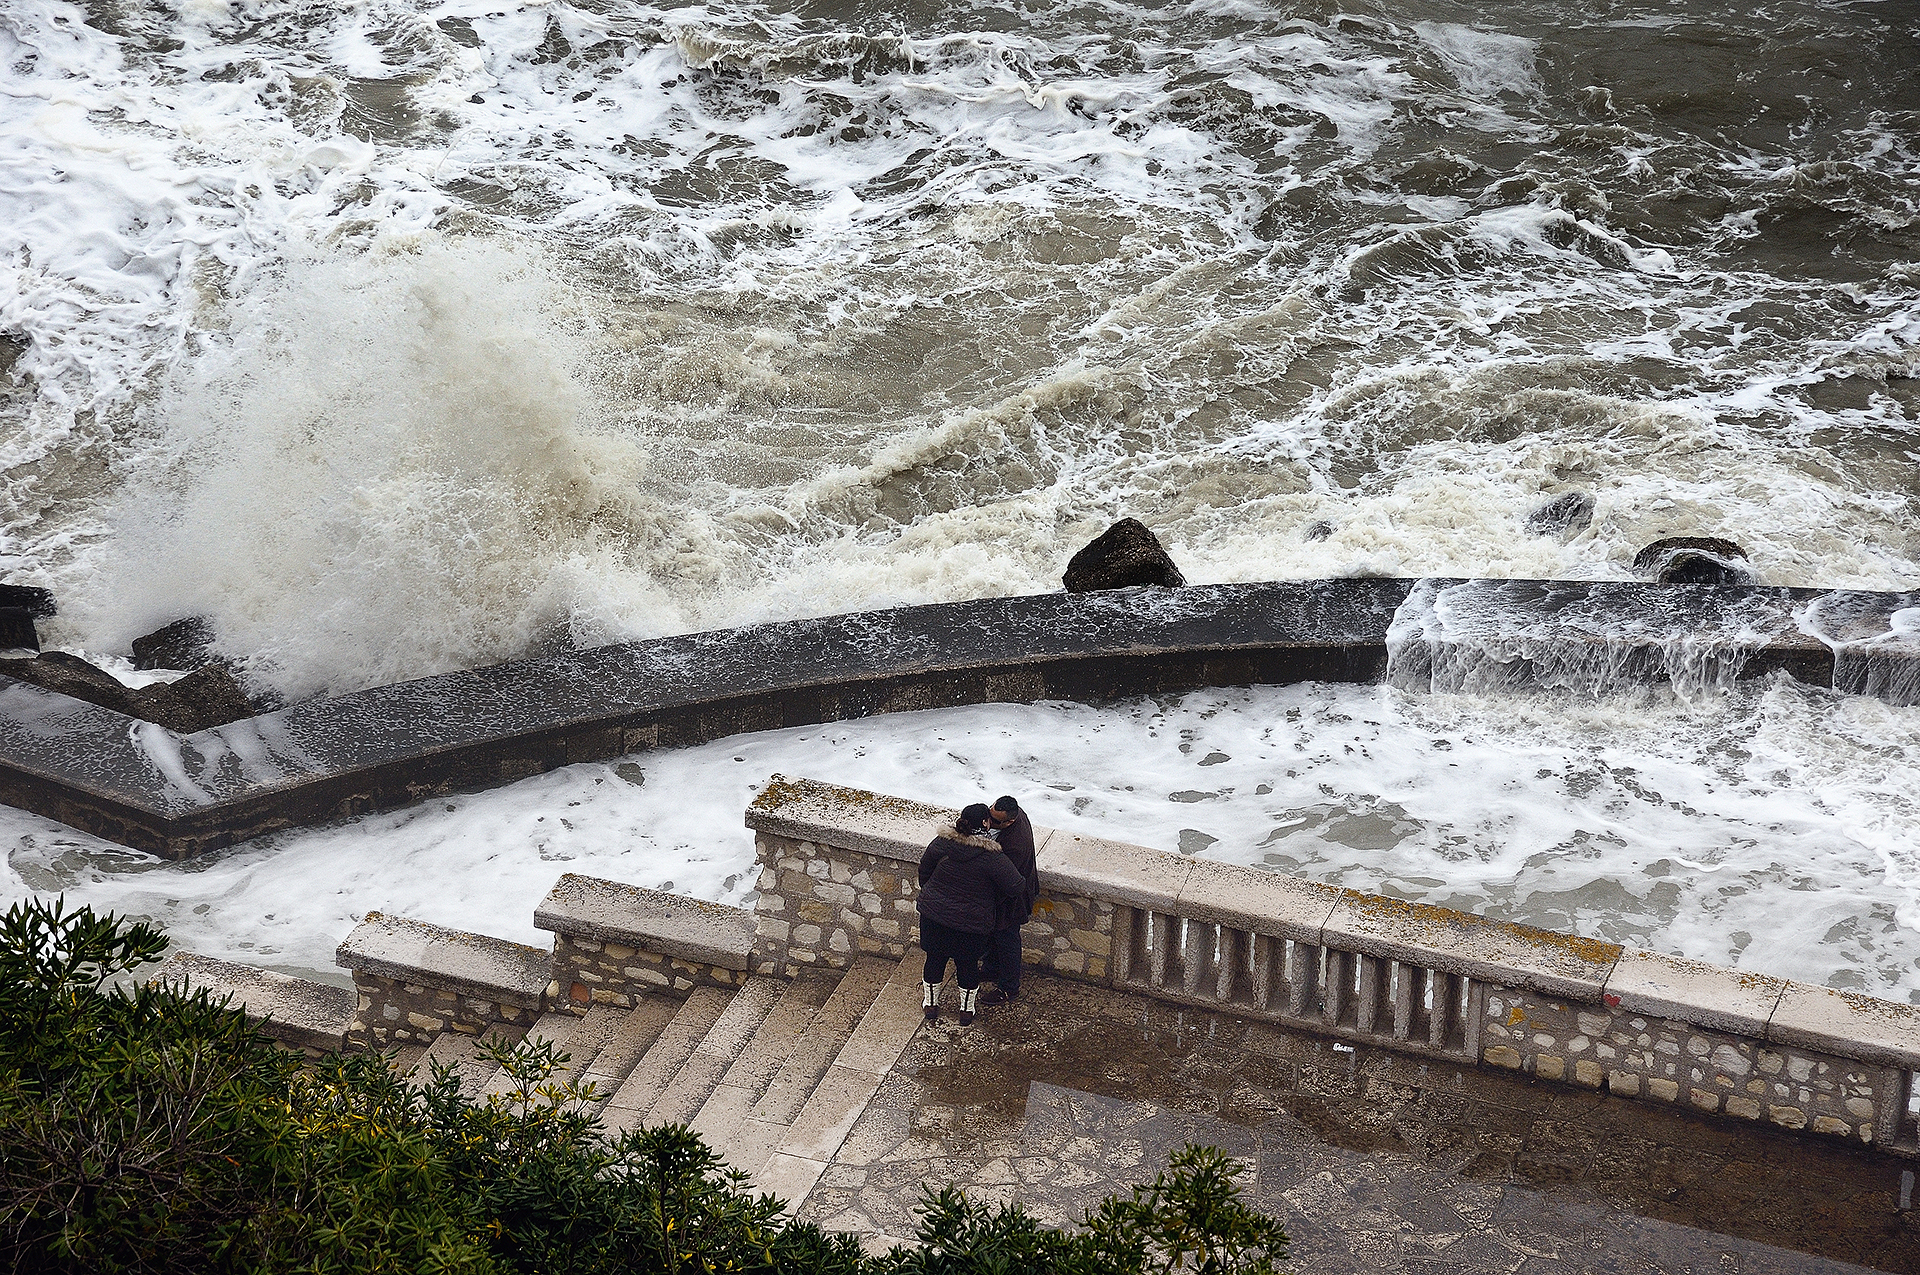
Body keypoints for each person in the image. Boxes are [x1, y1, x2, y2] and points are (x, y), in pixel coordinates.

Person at [917, 802, 1025, 1026]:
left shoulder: (942, 842)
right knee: (966, 965)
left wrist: (934, 896)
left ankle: (930, 1005)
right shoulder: (993, 857)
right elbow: (1016, 886)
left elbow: (924, 869)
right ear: (985, 824)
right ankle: (966, 1011)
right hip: (970, 923)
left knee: (934, 959)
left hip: (933, 916)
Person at [980, 795, 1039, 1005]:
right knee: (995, 936)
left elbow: (1007, 881)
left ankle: (1009, 987)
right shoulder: (1013, 814)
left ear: (1009, 822)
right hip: (1007, 895)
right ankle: (991, 969)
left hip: (1012, 900)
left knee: (1007, 942)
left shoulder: (1015, 846)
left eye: (994, 821)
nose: (988, 821)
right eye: (989, 812)